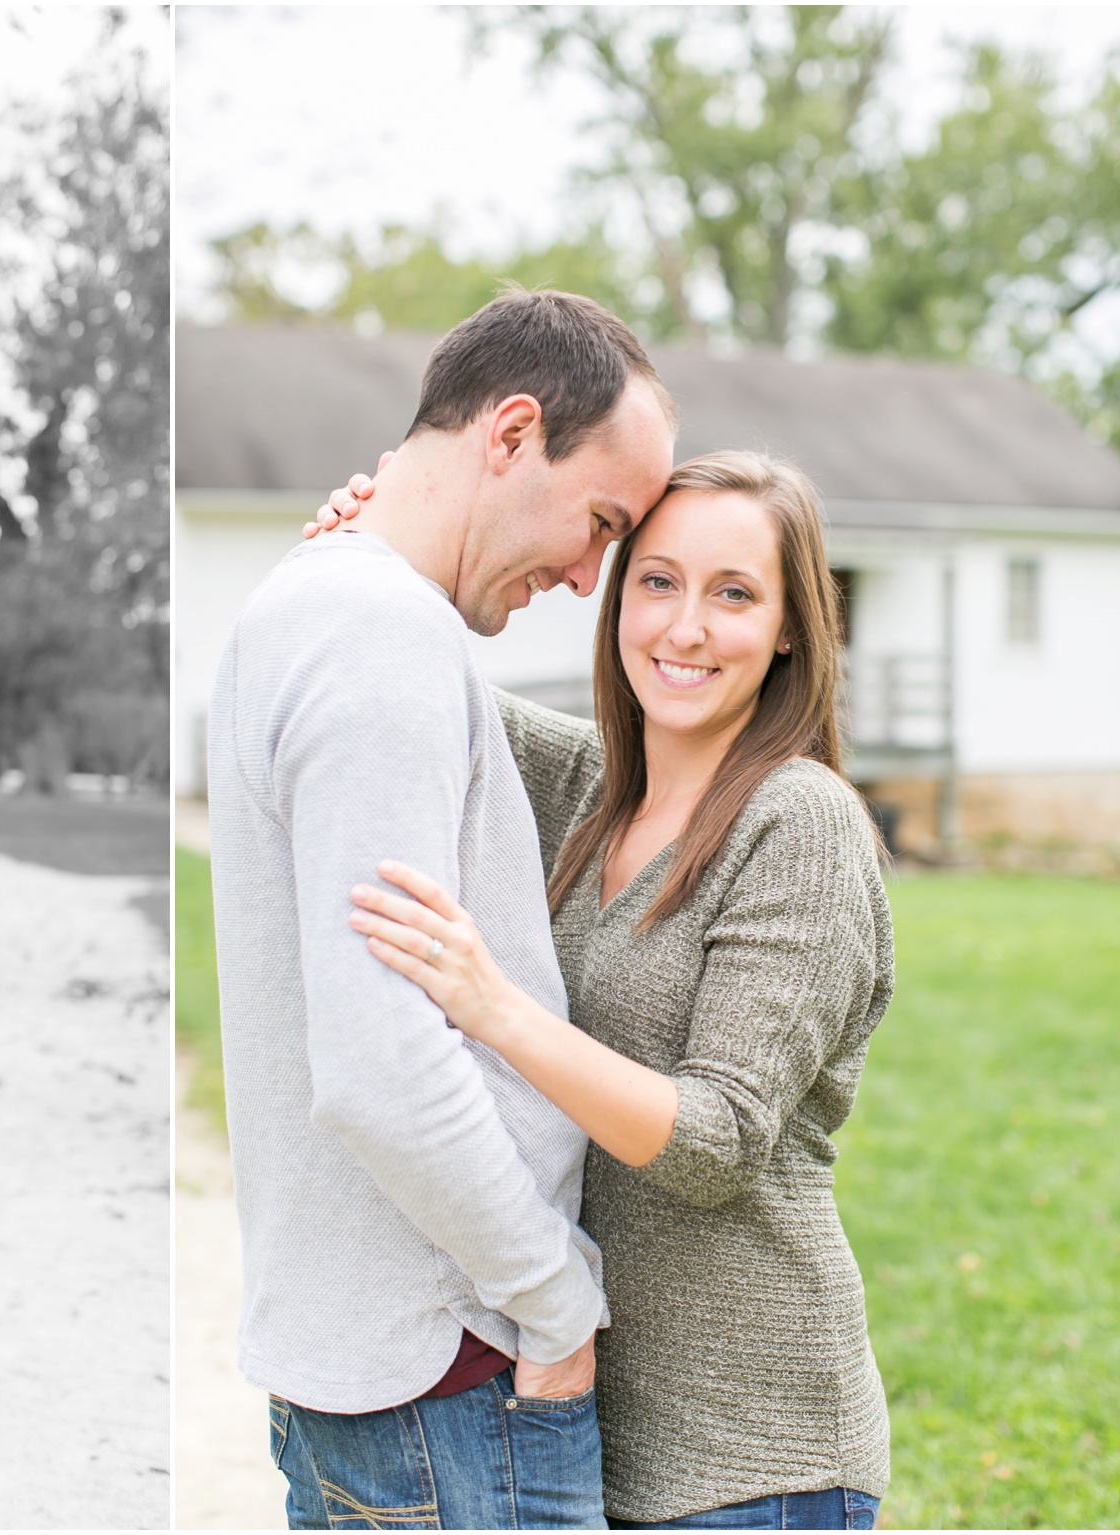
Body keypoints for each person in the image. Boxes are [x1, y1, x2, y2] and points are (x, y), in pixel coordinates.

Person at [332, 450, 893, 1530]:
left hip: (756, 1457)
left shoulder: (799, 823)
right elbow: (405, 664)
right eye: (657, 580)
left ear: (787, 627)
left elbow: (715, 1140)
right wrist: (365, 541)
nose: (683, 626)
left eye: (732, 593)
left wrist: (493, 1004)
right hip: (593, 1432)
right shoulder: (586, 785)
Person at [207, 287, 676, 1530]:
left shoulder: (320, 605)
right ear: (511, 432)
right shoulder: (376, 637)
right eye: (599, 524)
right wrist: (552, 1300)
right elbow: (379, 1062)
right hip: (455, 1378)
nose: (588, 577)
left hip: (395, 1372)